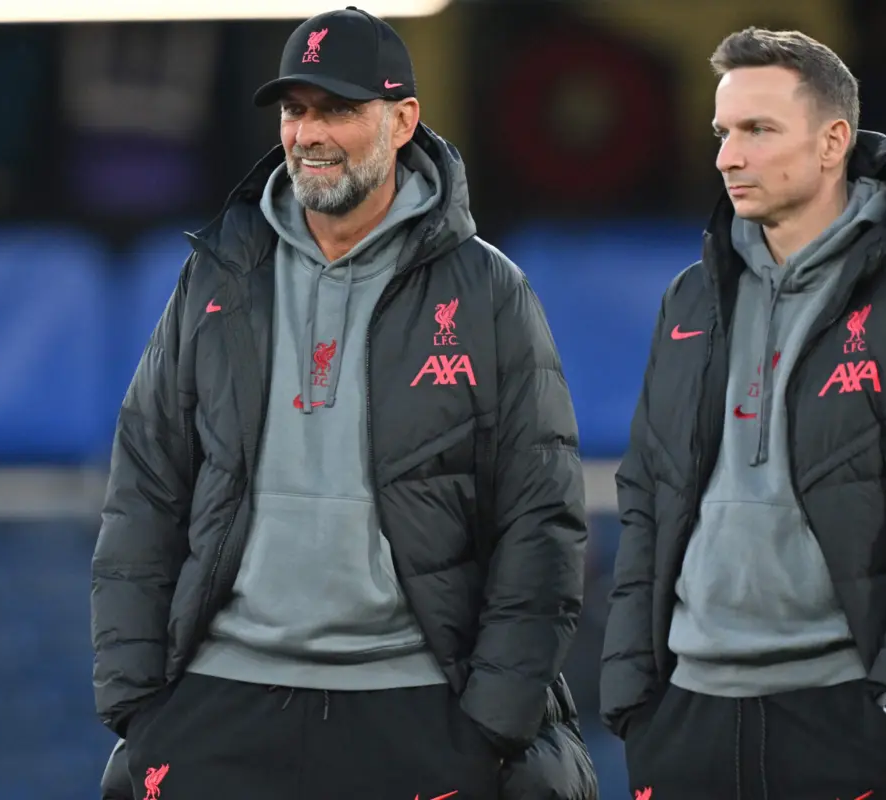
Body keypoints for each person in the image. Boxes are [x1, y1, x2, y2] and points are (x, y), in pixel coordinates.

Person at [92, 7, 595, 800]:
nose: (309, 133)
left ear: (402, 121)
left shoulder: (487, 289)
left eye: (338, 109)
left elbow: (542, 517)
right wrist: (134, 700)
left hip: (415, 703)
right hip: (225, 695)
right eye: (296, 110)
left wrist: (492, 723)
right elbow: (145, 487)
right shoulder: (219, 276)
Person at [600, 26, 886, 800]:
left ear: (834, 141)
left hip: (848, 717)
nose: (730, 156)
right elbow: (647, 499)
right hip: (690, 724)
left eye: (759, 131)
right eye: (724, 132)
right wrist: (634, 703)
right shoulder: (690, 299)